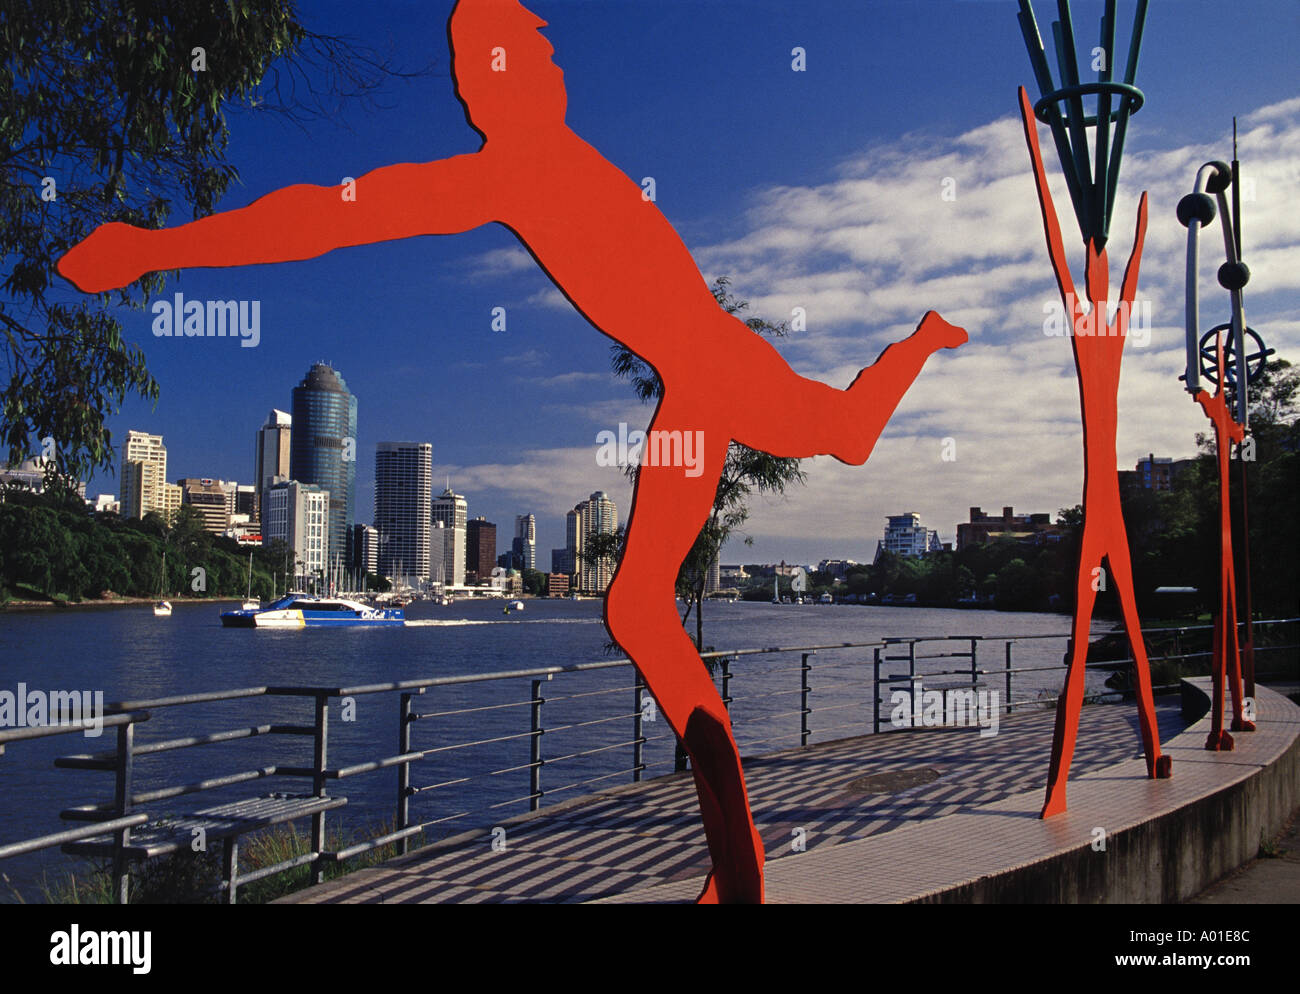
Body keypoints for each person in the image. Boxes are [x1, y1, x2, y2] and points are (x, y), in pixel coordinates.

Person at [59, 0, 966, 901]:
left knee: (844, 440)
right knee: (641, 611)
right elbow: (331, 213)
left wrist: (158, 246)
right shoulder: (514, 173)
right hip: (697, 386)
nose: (476, 89)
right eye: (469, 73)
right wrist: (158, 245)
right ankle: (737, 871)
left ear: (534, 82)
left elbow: (332, 215)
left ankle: (920, 341)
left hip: (723, 366)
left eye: (491, 68)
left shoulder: (531, 173)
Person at [1017, 86, 1170, 818]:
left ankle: (1060, 791)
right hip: (1106, 503)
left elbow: (1058, 233)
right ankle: (1147, 757)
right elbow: (1107, 250)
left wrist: (1033, 135)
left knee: (1093, 640)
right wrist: (1137, 226)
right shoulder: (1107, 312)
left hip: (1100, 505)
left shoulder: (1083, 317)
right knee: (1129, 635)